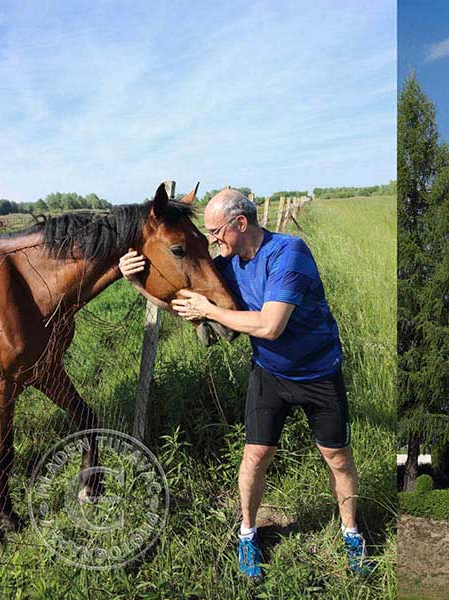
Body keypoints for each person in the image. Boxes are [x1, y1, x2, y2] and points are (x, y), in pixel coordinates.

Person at [118, 189, 368, 582]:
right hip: (269, 374)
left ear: (241, 224)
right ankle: (248, 534)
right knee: (255, 456)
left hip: (319, 374)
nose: (213, 239)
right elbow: (184, 304)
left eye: (217, 231)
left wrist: (211, 310)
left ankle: (351, 533)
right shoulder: (231, 266)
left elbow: (270, 325)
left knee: (337, 458)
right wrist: (135, 281)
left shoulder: (290, 254)